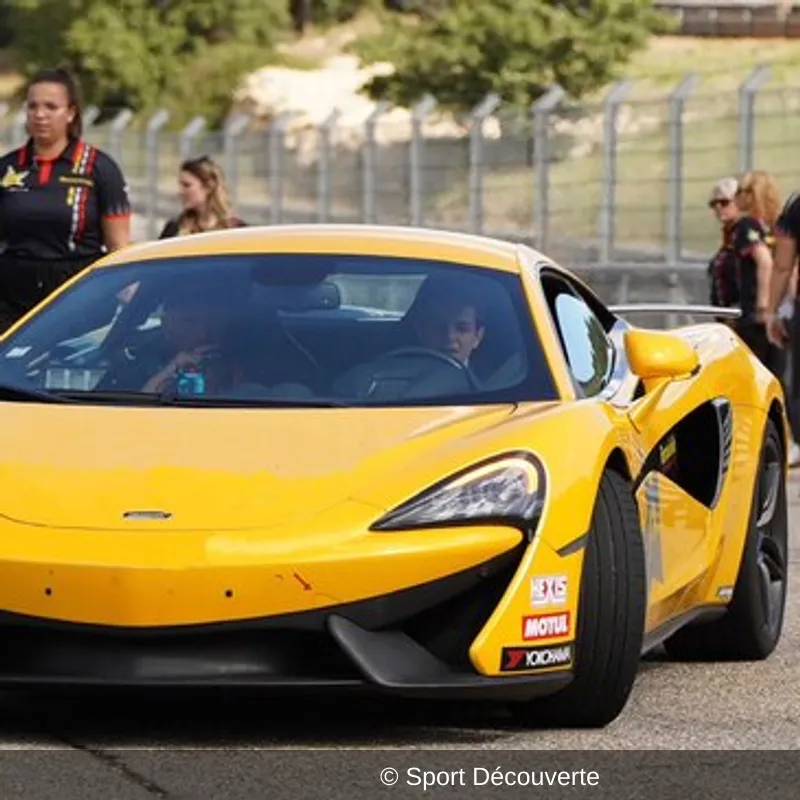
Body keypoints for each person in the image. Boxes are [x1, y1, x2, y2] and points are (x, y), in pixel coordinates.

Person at [0, 67, 131, 331]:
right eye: (33, 106)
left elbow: (119, 246)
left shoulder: (100, 169)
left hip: (77, 295)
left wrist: (130, 304)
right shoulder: (7, 167)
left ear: (71, 113)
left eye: (51, 107)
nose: (40, 115)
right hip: (11, 293)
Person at [707, 172, 781, 376]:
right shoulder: (752, 230)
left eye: (724, 202)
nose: (718, 208)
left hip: (750, 316)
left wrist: (762, 307)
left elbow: (765, 263)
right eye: (713, 204)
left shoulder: (746, 227)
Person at [158, 156, 246, 239]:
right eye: (180, 185)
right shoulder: (175, 229)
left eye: (187, 185)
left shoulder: (235, 230)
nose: (180, 192)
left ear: (208, 187)